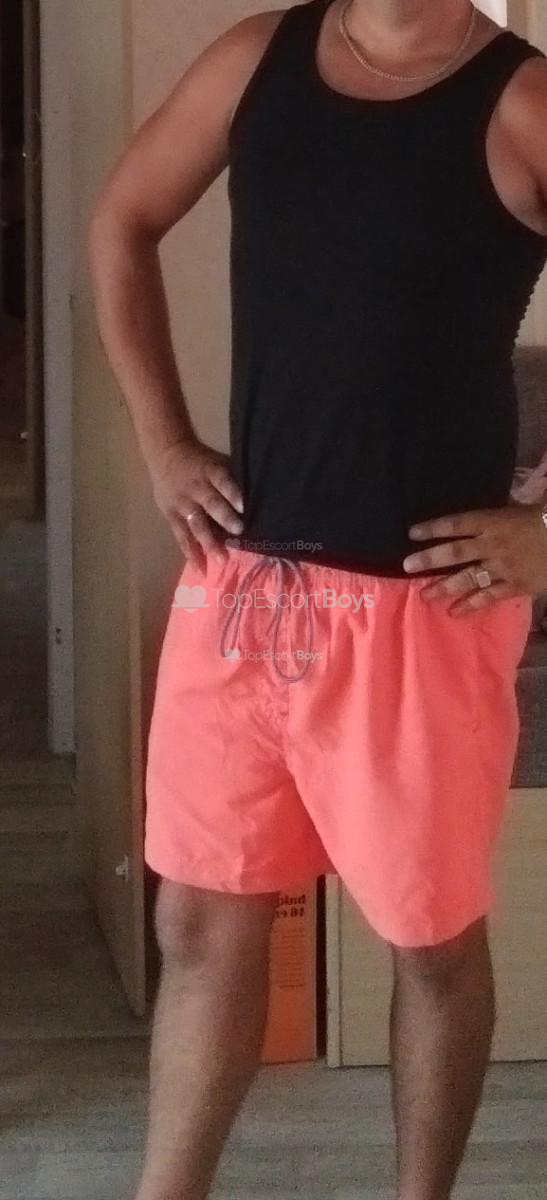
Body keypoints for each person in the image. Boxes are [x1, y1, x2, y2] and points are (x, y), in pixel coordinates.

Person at [87, 2, 547, 1197]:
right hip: (242, 590)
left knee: (427, 943)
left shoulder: (521, 100)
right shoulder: (257, 59)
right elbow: (122, 219)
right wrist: (164, 445)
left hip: (421, 609)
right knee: (199, 921)